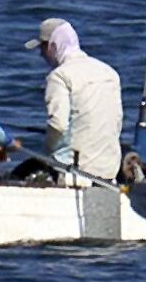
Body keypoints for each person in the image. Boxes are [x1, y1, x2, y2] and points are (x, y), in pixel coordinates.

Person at [24, 18, 124, 182]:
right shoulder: (109, 73)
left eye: (42, 47)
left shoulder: (59, 76)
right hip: (109, 170)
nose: (41, 54)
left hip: (76, 172)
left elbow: (58, 125)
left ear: (53, 46)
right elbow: (117, 121)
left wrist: (46, 153)